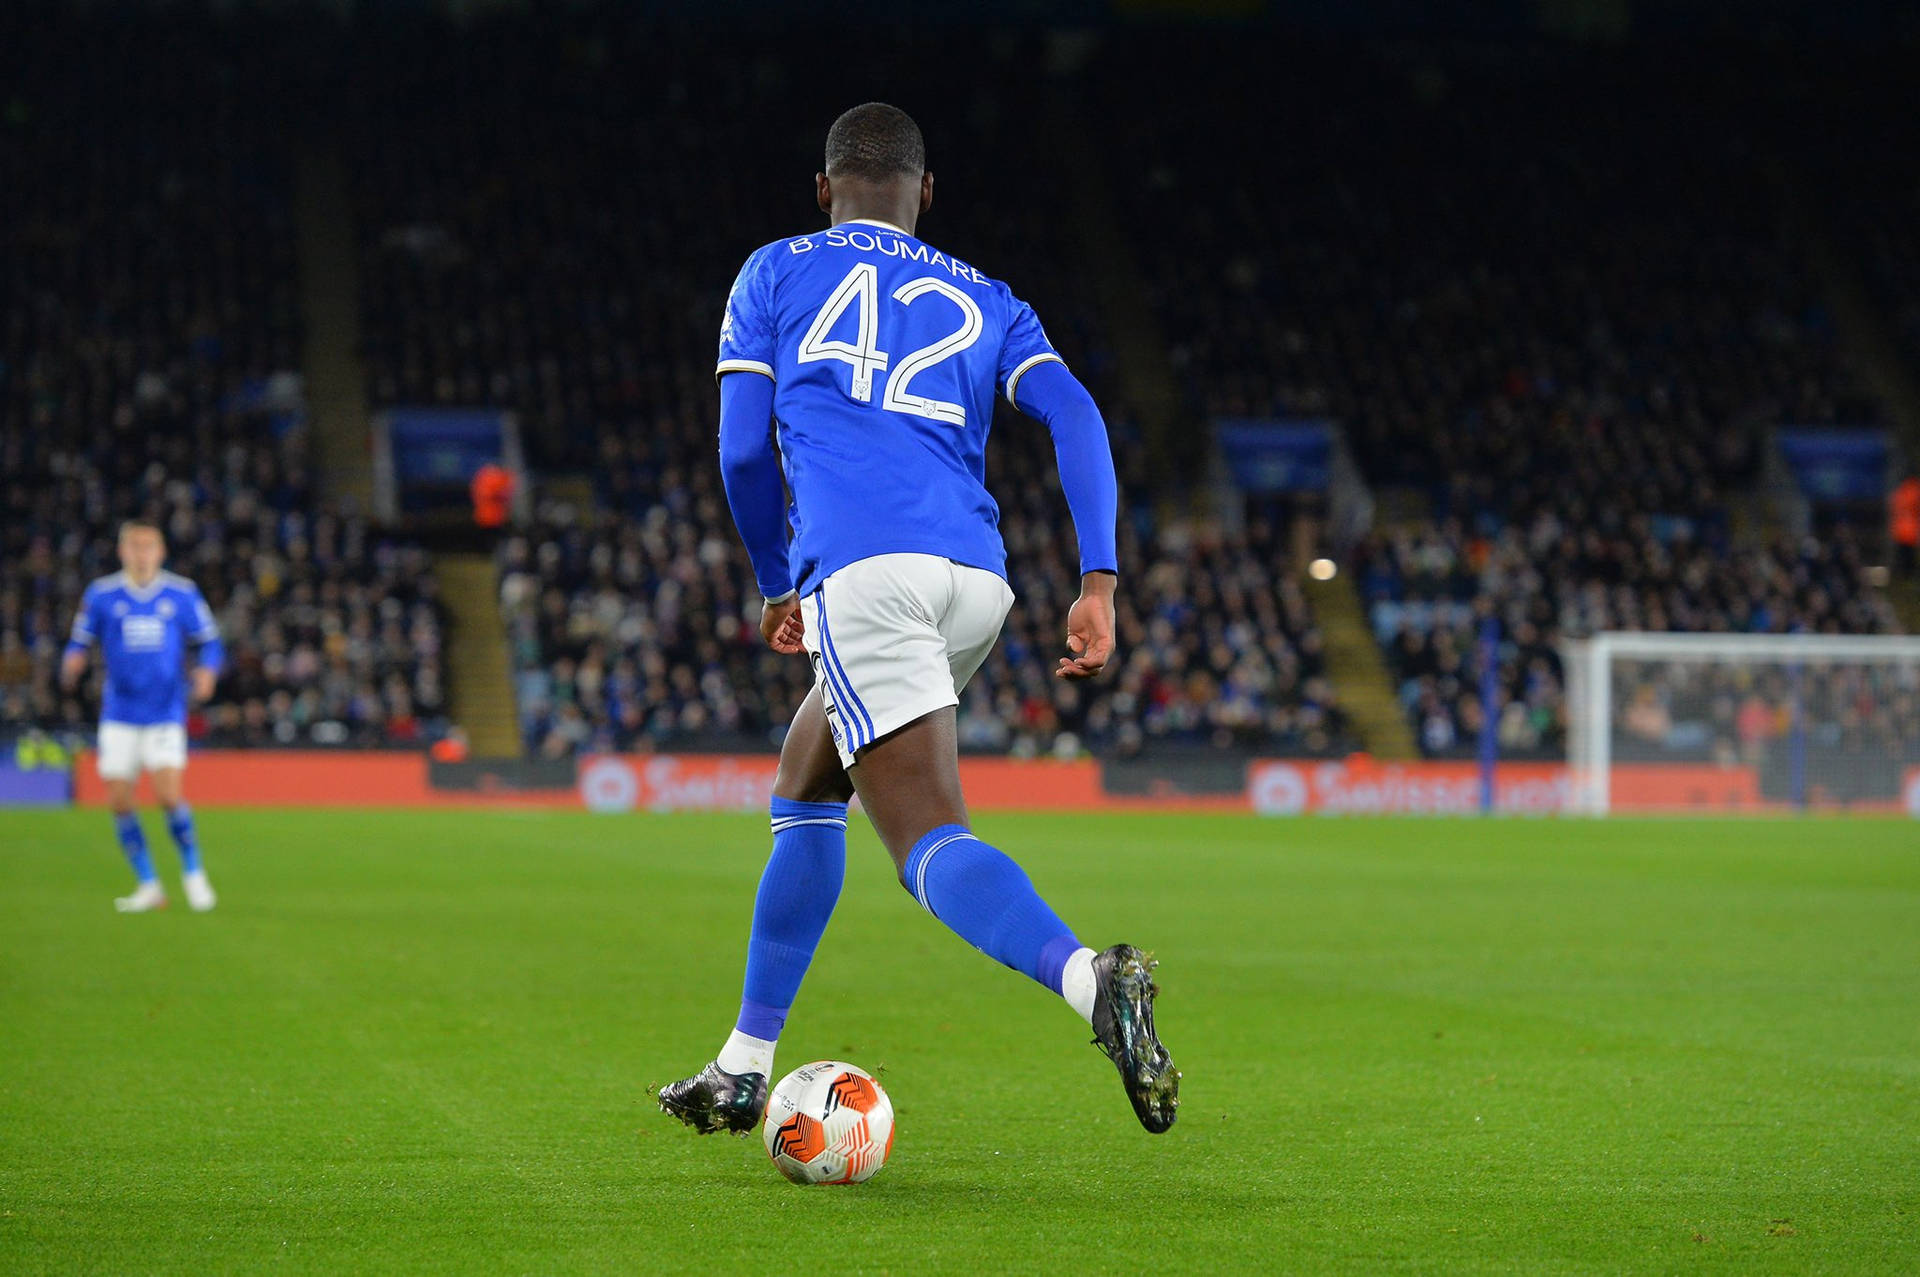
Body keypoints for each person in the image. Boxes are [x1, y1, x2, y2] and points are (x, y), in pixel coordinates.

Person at [657, 104, 1179, 1137]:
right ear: (925, 195)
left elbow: (744, 454)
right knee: (807, 779)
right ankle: (742, 1061)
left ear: (823, 188)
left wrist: (777, 581)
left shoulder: (773, 270)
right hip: (974, 582)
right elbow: (1075, 413)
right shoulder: (987, 296)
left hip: (866, 572)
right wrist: (1100, 580)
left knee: (925, 836)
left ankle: (1090, 978)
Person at [59, 520, 224, 912]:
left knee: (168, 795)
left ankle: (193, 873)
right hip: (119, 713)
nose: (141, 553)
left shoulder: (181, 594)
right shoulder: (102, 594)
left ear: (161, 551)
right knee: (118, 801)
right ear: (122, 551)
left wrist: (208, 671)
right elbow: (78, 640)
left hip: (165, 712)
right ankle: (149, 884)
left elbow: (211, 642)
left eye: (148, 546)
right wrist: (72, 660)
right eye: (134, 546)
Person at [1892, 467, 1919, 581]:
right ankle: (1909, 575)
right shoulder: (1915, 490)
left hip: (1901, 530)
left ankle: (1905, 575)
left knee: (1904, 556)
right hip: (1911, 530)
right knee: (1909, 557)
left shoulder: (1900, 491)